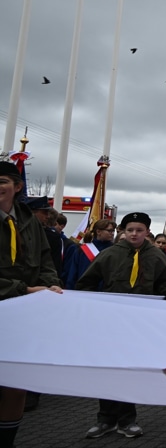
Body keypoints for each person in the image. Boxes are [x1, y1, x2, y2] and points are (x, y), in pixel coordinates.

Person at [76, 211, 166, 439]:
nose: (134, 234)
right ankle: (105, 419)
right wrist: (96, 305)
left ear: (147, 232)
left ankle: (127, 419)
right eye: (129, 229)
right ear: (122, 231)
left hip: (140, 322)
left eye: (139, 230)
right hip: (111, 321)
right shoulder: (110, 254)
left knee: (130, 369)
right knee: (109, 368)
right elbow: (87, 282)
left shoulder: (156, 256)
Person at [0, 162, 63, 448]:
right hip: (13, 297)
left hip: (24, 311)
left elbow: (46, 259)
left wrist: (51, 284)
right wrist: (23, 289)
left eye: (2, 181)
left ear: (17, 186)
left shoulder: (28, 219)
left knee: (15, 384)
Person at [62, 219, 115, 290]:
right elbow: (72, 274)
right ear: (98, 232)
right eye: (109, 231)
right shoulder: (82, 250)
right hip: (84, 292)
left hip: (107, 293)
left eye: (113, 231)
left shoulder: (115, 250)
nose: (112, 233)